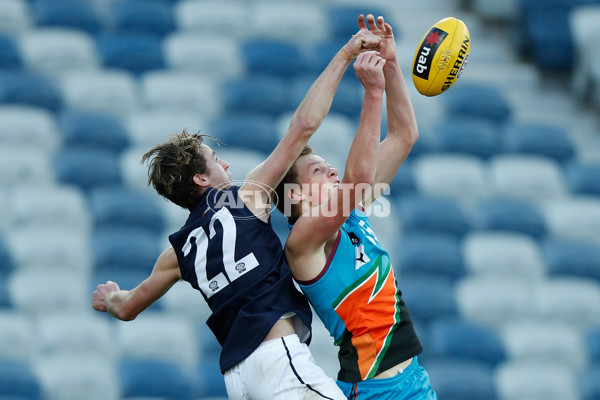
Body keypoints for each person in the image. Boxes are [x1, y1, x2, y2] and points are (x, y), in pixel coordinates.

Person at [92, 25, 382, 400]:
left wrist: (110, 298)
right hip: (278, 360)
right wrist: (344, 56)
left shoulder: (177, 253)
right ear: (200, 178)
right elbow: (304, 126)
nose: (225, 164)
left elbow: (129, 307)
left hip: (238, 380)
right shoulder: (247, 197)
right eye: (215, 160)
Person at [275, 14, 436, 399]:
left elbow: (403, 135)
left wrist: (392, 64)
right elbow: (358, 179)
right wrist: (372, 93)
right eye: (317, 169)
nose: (329, 167)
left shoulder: (353, 211)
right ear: (295, 196)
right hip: (376, 391)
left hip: (414, 379)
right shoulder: (304, 240)